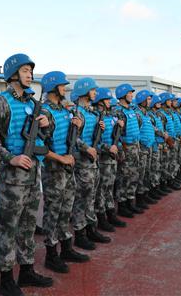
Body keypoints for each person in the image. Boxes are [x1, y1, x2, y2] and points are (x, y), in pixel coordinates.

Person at [0, 53, 53, 296]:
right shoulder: (0, 102)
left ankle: (26, 270)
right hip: (12, 178)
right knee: (8, 228)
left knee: (27, 226)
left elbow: (48, 135)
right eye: (25, 71)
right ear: (13, 74)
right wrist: (9, 157)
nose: (30, 75)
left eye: (30, 71)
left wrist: (47, 123)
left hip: (33, 175)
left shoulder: (34, 103)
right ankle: (5, 279)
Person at [40, 71, 89, 274]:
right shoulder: (45, 112)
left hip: (67, 168)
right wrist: (60, 158)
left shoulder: (63, 110)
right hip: (54, 170)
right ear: (53, 88)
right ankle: (51, 255)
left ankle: (66, 247)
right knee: (53, 212)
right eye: (62, 86)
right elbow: (38, 145)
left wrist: (80, 123)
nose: (65, 89)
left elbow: (71, 136)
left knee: (66, 210)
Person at [71, 77, 110, 249]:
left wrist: (100, 128)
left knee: (91, 196)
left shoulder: (92, 113)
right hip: (82, 162)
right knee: (81, 199)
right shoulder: (76, 112)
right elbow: (73, 138)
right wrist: (86, 148)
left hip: (92, 162)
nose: (95, 93)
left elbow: (94, 136)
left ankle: (91, 228)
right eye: (93, 90)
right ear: (84, 91)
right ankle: (80, 233)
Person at [92, 87, 126, 231]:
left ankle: (110, 213)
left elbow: (116, 136)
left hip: (112, 157)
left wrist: (120, 126)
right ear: (99, 101)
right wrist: (107, 148)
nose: (109, 102)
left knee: (109, 187)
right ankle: (101, 217)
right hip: (102, 158)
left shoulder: (110, 116)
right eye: (106, 99)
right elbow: (93, 140)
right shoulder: (95, 117)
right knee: (101, 190)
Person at [114, 83, 143, 217]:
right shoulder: (117, 111)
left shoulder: (131, 110)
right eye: (129, 93)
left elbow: (138, 125)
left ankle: (131, 201)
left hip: (135, 146)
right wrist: (121, 149)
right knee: (124, 177)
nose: (132, 95)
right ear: (122, 95)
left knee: (134, 175)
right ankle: (122, 205)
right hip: (126, 147)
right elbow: (115, 133)